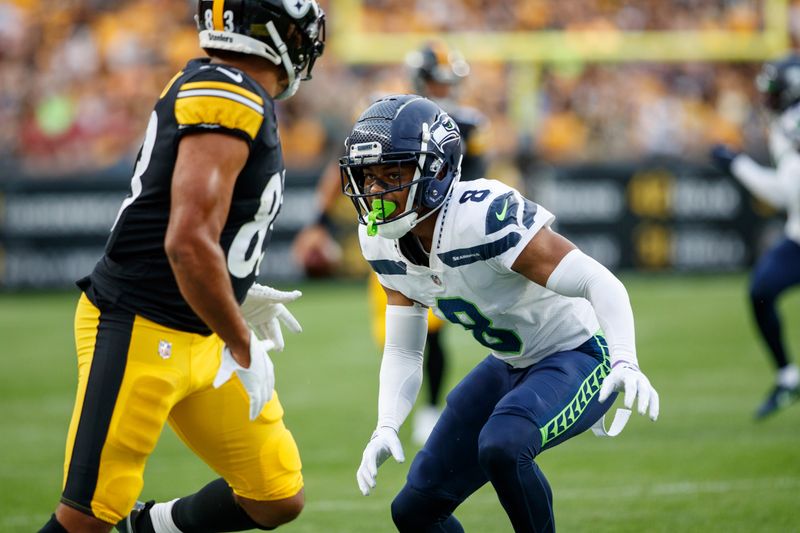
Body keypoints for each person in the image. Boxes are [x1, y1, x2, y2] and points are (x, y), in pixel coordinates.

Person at [38, 1, 325, 532]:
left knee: (276, 496)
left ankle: (146, 528)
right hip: (142, 325)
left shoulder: (224, 86)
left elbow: (198, 227)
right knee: (85, 519)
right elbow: (188, 240)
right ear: (270, 30)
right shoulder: (228, 93)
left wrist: (234, 285)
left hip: (201, 332)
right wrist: (239, 336)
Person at [341, 94, 659, 533]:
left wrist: (625, 358)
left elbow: (598, 281)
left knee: (503, 445)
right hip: (509, 364)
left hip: (579, 354)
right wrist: (387, 424)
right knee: (413, 511)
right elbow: (403, 350)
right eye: (368, 177)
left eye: (393, 174)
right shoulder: (378, 240)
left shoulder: (481, 216)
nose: (377, 191)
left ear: (435, 172)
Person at [293, 40, 490, 445]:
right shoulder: (381, 113)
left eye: (448, 82)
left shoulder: (468, 123)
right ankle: (403, 415)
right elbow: (346, 169)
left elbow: (480, 179)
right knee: (397, 333)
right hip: (394, 230)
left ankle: (433, 408)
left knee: (436, 328)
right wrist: (319, 220)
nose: (445, 89)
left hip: (446, 228)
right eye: (437, 81)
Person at [710, 54, 800, 420]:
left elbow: (784, 194)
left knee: (762, 291)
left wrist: (737, 164)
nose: (768, 96)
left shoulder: (791, 124)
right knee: (762, 290)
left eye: (774, 89)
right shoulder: (786, 121)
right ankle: (788, 378)